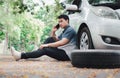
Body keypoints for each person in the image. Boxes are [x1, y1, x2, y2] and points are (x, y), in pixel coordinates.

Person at [11, 14, 77, 61]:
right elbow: (56, 40)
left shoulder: (70, 30)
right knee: (50, 39)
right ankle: (34, 54)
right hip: (62, 51)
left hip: (66, 55)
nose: (59, 23)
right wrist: (53, 32)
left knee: (45, 49)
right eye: (59, 22)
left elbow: (61, 43)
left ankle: (20, 55)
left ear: (67, 20)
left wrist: (46, 45)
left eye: (61, 21)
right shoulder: (65, 30)